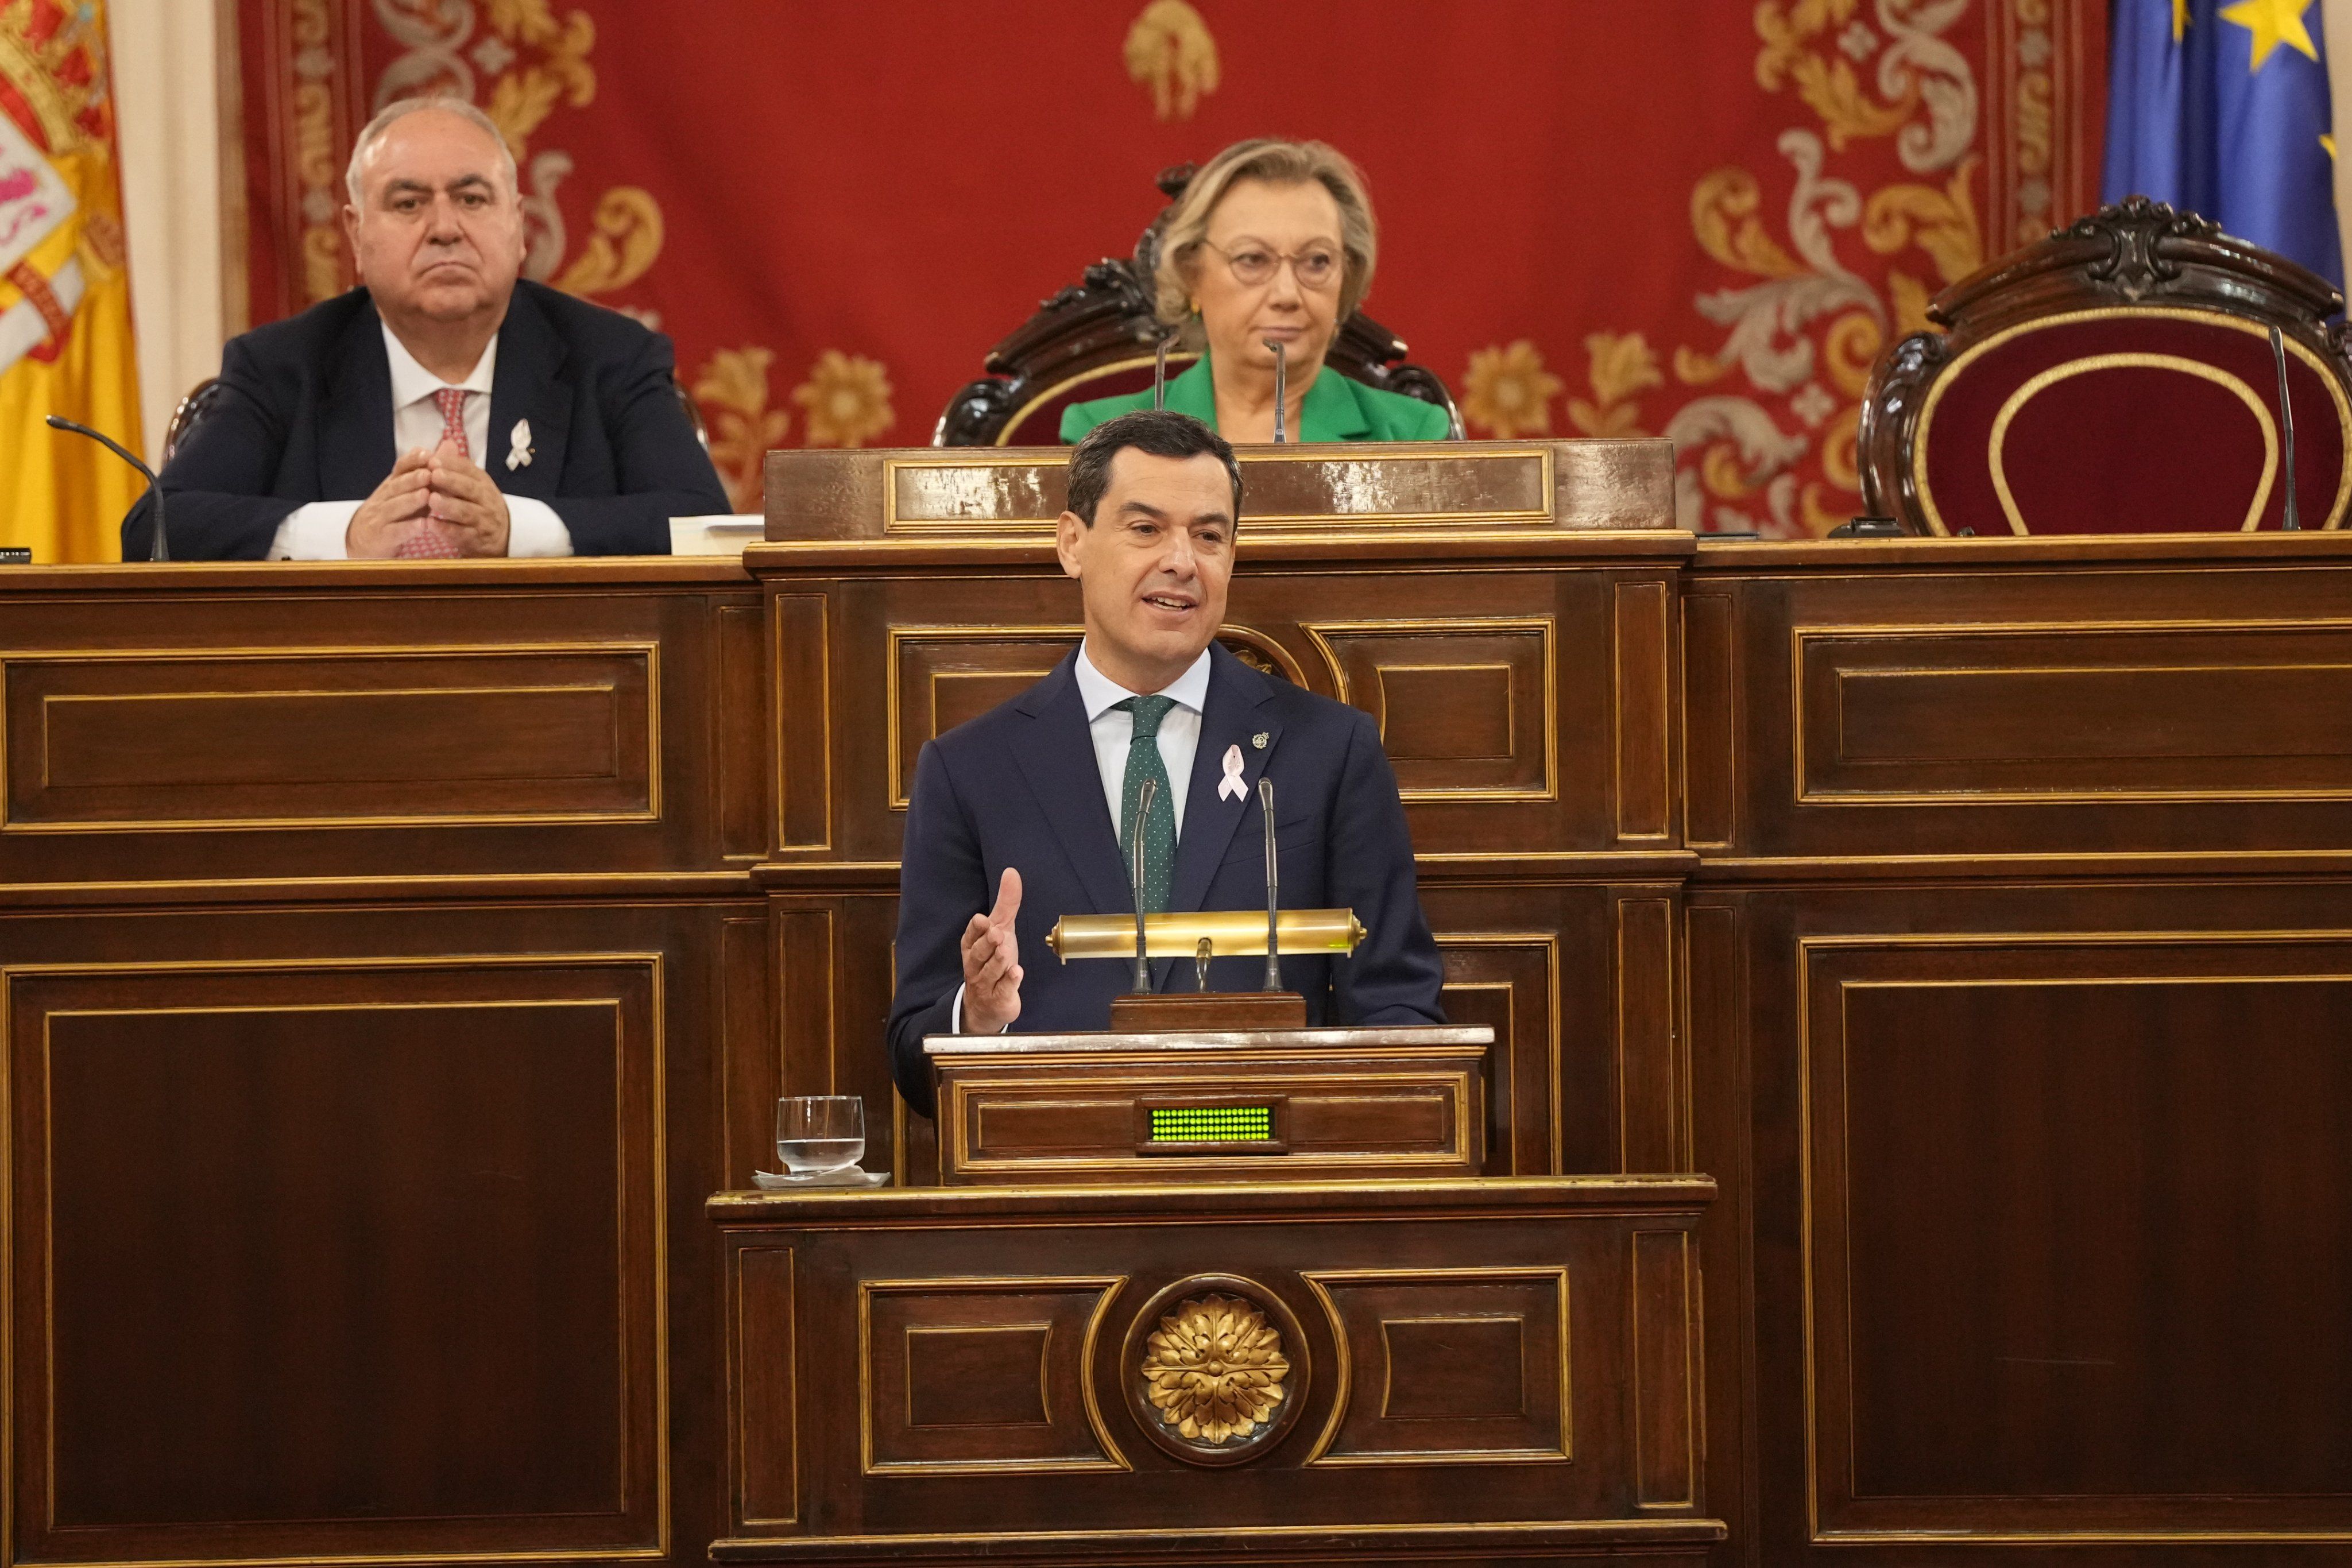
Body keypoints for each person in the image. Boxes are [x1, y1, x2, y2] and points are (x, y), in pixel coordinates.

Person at [887, 409, 1445, 1113]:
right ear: (1072, 543)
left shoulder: (1329, 750)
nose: (1182, 561)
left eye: (1208, 535)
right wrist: (976, 1015)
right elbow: (913, 1054)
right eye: (1146, 529)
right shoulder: (970, 768)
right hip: (1065, 1158)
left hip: (1262, 1152)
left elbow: (1398, 1006)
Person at [123, 96, 726, 560]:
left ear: (518, 226)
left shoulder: (611, 358)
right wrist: (347, 533)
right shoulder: (284, 366)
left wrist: (517, 529)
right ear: (357, 234)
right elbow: (154, 528)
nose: (444, 228)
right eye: (408, 203)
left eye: (472, 199)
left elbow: (703, 524)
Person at [1060, 139, 1452, 446]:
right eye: (1252, 260)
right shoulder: (1101, 434)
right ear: (1192, 274)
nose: (1287, 294)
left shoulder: (1409, 433)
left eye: (1317, 261)